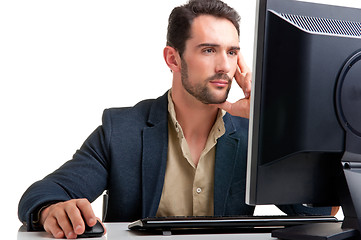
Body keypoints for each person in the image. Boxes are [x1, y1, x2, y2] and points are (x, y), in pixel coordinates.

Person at [18, 0, 334, 239]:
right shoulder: (123, 130)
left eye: (233, 52)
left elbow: (319, 212)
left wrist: (280, 121)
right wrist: (51, 209)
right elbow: (42, 193)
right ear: (173, 58)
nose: (224, 65)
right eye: (209, 50)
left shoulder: (255, 133)